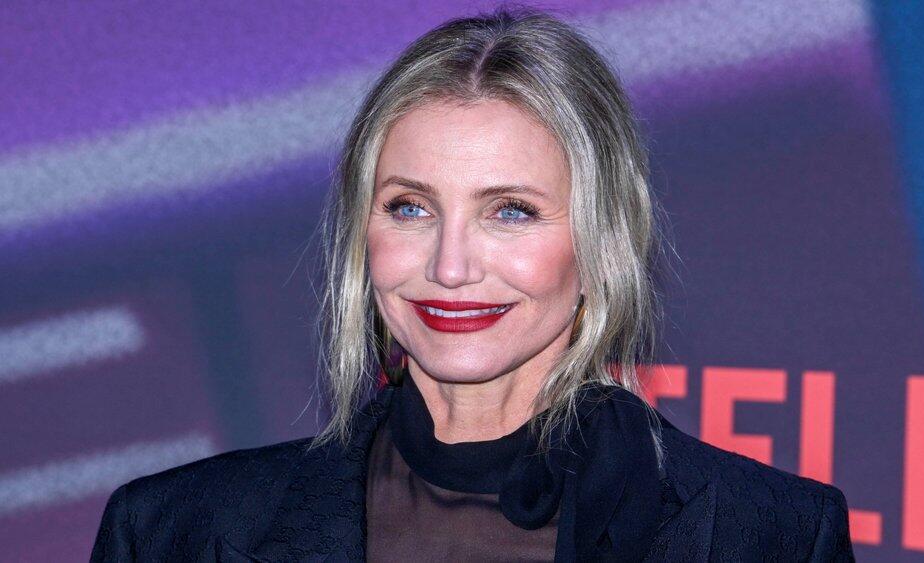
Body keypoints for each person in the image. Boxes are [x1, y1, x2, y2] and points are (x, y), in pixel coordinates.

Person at [90, 7, 854, 562]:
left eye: (510, 210)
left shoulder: (772, 537)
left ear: (601, 242)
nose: (449, 266)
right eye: (410, 207)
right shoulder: (170, 532)